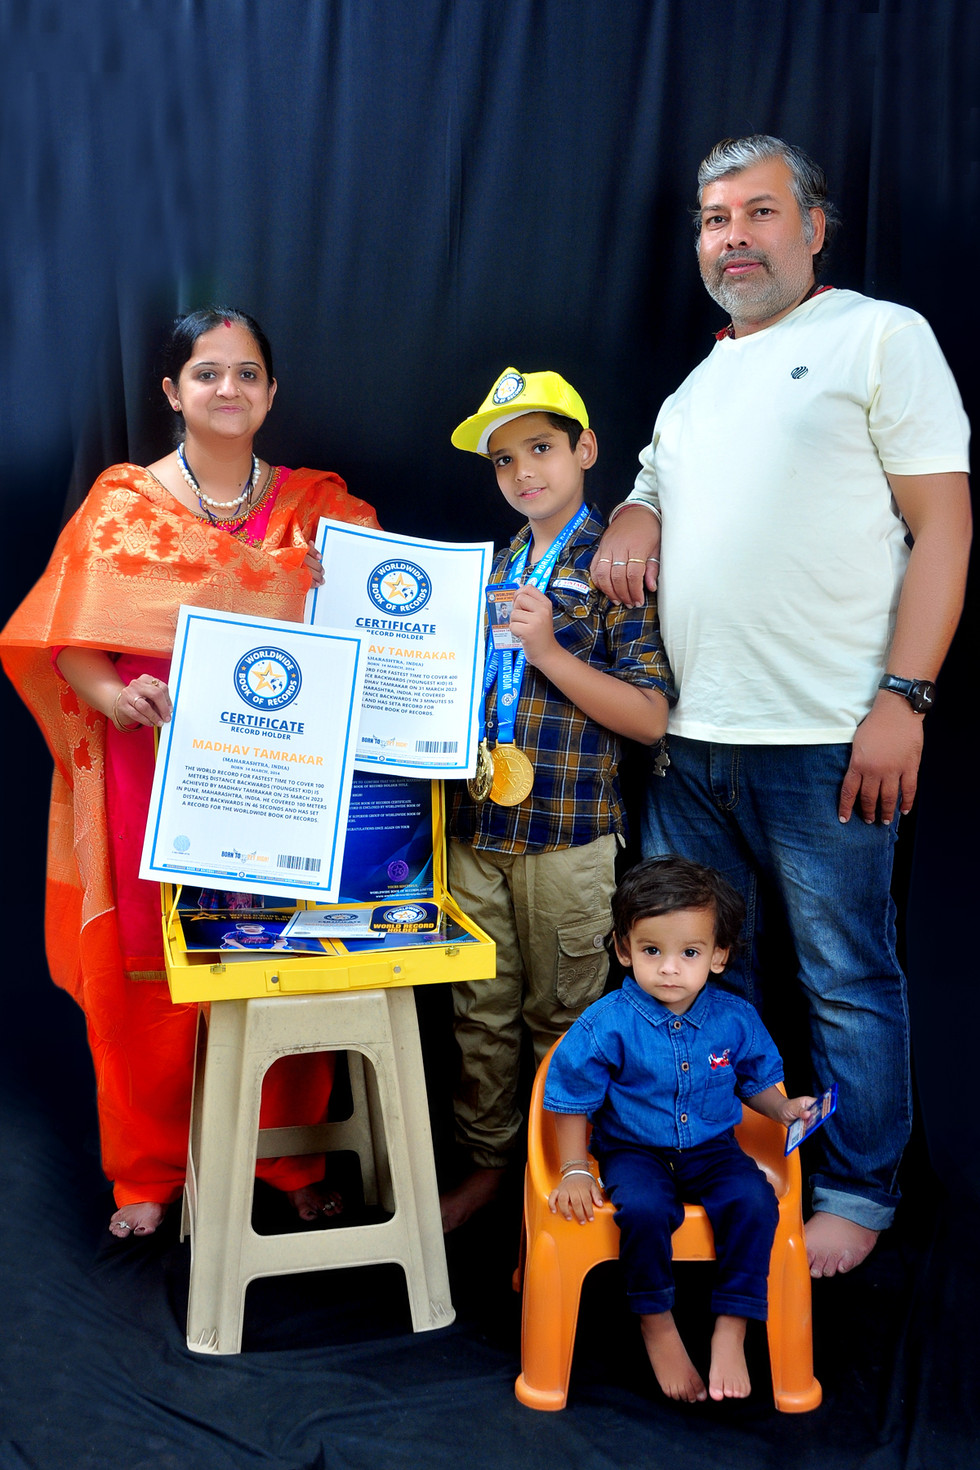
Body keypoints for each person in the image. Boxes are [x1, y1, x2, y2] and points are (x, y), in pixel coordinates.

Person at [591, 135, 972, 1276]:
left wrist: (904, 697)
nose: (734, 236)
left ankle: (857, 1190)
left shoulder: (877, 335)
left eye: (759, 212)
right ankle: (739, 1164)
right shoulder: (697, 383)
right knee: (711, 984)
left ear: (813, 228)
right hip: (688, 745)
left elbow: (944, 526)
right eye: (715, 219)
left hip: (826, 739)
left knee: (845, 979)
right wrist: (635, 513)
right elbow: (653, 483)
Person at [1, 307, 380, 1239]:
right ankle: (148, 1171)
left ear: (271, 392)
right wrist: (113, 695)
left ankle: (288, 1158)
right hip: (150, 771)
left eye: (247, 373)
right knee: (151, 980)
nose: (228, 389)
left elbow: (379, 611)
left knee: (279, 960)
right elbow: (64, 640)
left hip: (282, 778)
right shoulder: (122, 505)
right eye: (208, 373)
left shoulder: (319, 510)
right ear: (173, 391)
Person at [441, 368, 675, 1231]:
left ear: (585, 449)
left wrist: (546, 650)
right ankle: (489, 1169)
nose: (522, 471)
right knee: (480, 1014)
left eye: (540, 447)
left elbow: (649, 717)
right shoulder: (492, 567)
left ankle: (556, 1184)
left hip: (569, 838)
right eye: (503, 459)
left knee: (563, 1020)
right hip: (477, 826)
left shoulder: (615, 563)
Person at [543, 856, 816, 1404]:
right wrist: (574, 1169)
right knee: (644, 1210)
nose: (670, 969)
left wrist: (783, 1109)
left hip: (714, 1149)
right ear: (624, 950)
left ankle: (732, 1326)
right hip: (633, 1152)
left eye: (689, 953)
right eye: (652, 951)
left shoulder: (735, 1018)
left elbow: (754, 1083)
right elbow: (571, 1098)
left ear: (718, 956)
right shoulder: (606, 1023)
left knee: (754, 1202)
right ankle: (657, 1323)